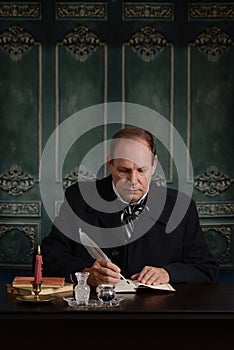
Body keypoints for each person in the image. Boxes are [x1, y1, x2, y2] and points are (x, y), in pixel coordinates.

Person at [41, 127, 219, 287]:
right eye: (124, 170)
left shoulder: (181, 207)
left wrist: (168, 273)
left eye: (141, 170)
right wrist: (85, 274)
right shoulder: (79, 198)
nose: (133, 181)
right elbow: (46, 257)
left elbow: (205, 268)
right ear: (110, 164)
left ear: (154, 164)